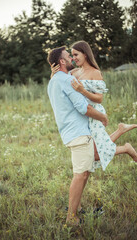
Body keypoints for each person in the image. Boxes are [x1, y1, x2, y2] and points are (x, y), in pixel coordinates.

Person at [51, 40, 137, 172]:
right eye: (72, 55)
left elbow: (99, 98)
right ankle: (121, 132)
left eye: (76, 55)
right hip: (83, 114)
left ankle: (126, 148)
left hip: (94, 113)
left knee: (96, 153)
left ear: (85, 54)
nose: (73, 58)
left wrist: (83, 91)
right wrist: (53, 73)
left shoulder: (95, 72)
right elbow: (61, 80)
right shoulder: (74, 72)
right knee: (96, 151)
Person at [47, 46, 109, 225]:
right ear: (62, 62)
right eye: (68, 56)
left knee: (84, 172)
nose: (72, 58)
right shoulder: (67, 80)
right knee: (80, 174)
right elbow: (84, 108)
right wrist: (102, 116)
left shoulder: (54, 81)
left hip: (69, 132)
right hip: (79, 133)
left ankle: (78, 208)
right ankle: (71, 217)